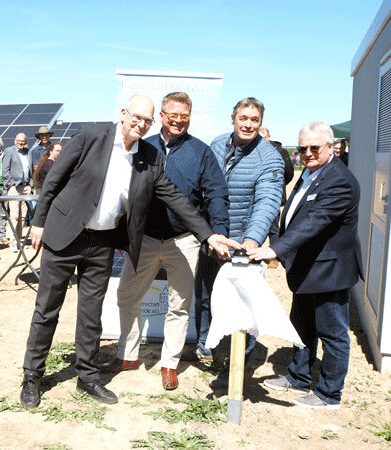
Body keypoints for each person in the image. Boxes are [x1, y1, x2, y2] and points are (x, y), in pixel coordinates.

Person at [19, 94, 241, 408]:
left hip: (102, 243)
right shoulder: (91, 137)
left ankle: (88, 377)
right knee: (47, 310)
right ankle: (32, 377)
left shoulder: (149, 155)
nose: (141, 124)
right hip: (64, 237)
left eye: (147, 120)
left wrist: (209, 235)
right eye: (136, 117)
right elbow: (54, 179)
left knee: (91, 315)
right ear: (123, 113)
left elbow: (175, 197)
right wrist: (38, 222)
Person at [101, 92, 229, 391]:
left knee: (179, 304)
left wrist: (217, 231)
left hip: (183, 240)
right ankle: (127, 354)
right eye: (173, 115)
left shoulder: (201, 152)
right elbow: (123, 193)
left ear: (190, 117)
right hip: (144, 239)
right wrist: (121, 235)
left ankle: (169, 364)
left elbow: (216, 194)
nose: (178, 121)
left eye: (184, 117)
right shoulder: (143, 148)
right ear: (161, 116)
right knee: (127, 296)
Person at [248, 121, 362, 410]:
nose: (307, 153)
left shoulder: (339, 179)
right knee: (302, 329)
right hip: (306, 268)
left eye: (314, 148)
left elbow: (313, 223)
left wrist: (273, 250)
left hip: (329, 272)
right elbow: (295, 215)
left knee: (332, 335)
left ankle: (328, 394)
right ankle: (298, 377)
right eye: (302, 148)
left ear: (331, 147)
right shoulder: (311, 173)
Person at [194, 98, 284, 365]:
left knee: (244, 302)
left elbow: (267, 202)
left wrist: (251, 241)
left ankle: (241, 356)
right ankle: (205, 346)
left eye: (254, 120)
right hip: (213, 238)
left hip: (242, 245)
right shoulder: (216, 144)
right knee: (208, 295)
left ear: (261, 123)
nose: (248, 124)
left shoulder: (269, 158)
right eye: (243, 118)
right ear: (232, 118)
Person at [258, 127, 295, 269]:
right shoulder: (253, 150)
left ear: (269, 137)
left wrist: (278, 187)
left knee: (273, 227)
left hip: (273, 195)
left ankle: (274, 257)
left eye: (263, 137)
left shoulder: (280, 151)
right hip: (256, 196)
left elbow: (289, 173)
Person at [1, 132, 32, 252]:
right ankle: (13, 242)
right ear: (15, 141)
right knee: (14, 216)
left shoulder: (28, 152)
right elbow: (5, 170)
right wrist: (11, 184)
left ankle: (19, 241)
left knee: (23, 217)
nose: (20, 143)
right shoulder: (9, 151)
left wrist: (31, 183)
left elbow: (31, 168)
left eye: (23, 141)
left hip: (26, 187)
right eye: (18, 140)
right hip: (14, 188)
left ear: (26, 142)